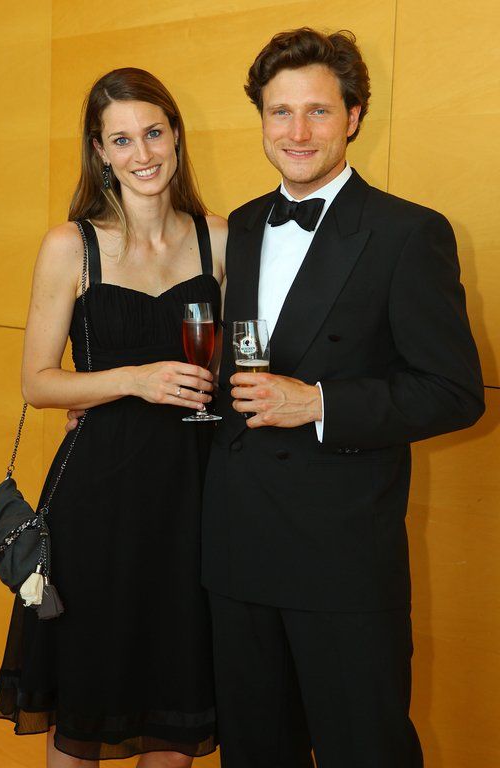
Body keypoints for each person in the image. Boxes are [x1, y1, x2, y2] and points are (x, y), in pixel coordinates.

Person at [201, 28, 485, 768]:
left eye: (318, 111)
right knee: (254, 753)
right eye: (280, 111)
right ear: (262, 119)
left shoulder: (408, 232)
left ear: (354, 117)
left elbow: (455, 393)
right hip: (236, 546)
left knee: (367, 751)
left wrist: (319, 403)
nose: (297, 132)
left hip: (343, 558)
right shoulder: (241, 228)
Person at [0, 67, 226, 767]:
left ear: (176, 135)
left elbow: (238, 363)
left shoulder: (220, 240)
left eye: (153, 132)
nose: (142, 154)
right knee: (84, 710)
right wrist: (134, 380)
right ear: (100, 151)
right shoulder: (71, 245)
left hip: (194, 497)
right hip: (97, 500)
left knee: (178, 710)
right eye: (121, 140)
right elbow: (38, 383)